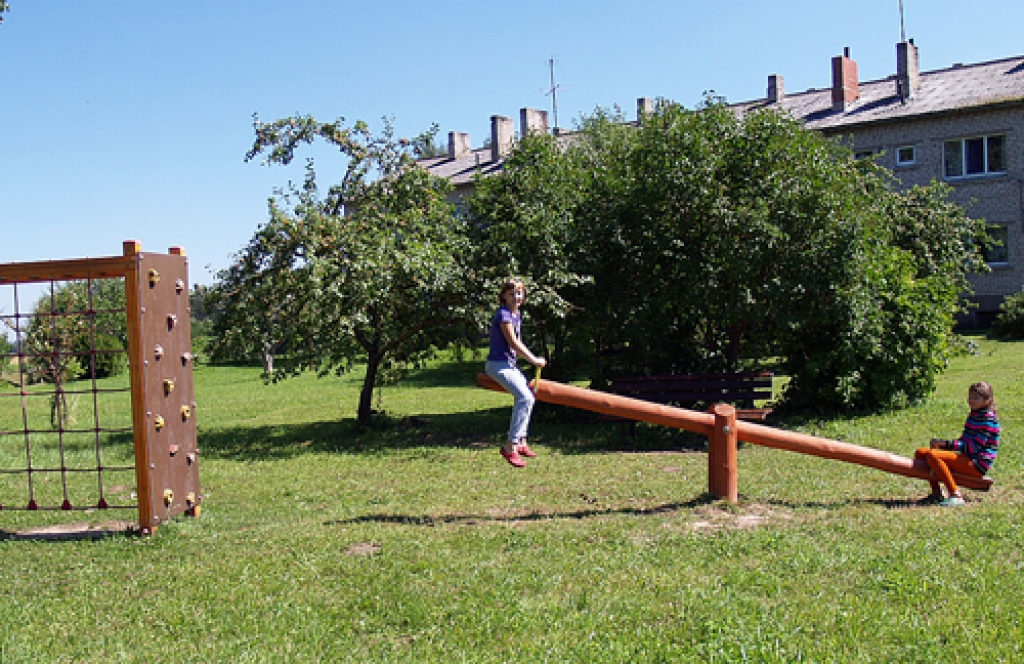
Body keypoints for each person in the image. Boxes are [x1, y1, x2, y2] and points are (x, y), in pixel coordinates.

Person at [485, 278, 547, 468]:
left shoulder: (516, 315)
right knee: (525, 398)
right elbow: (514, 343)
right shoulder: (504, 315)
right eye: (512, 293)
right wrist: (534, 360)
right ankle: (510, 446)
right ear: (504, 296)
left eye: (519, 293)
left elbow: (516, 344)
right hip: (497, 365)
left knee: (529, 397)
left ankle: (521, 442)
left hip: (508, 365)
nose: (516, 297)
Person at [915, 381, 1000, 507]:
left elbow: (974, 447)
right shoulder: (974, 415)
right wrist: (943, 445)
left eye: (976, 398)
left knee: (933, 455)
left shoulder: (988, 419)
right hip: (967, 457)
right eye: (970, 397)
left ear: (988, 400)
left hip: (977, 464)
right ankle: (937, 494)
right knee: (921, 453)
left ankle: (955, 495)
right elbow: (964, 440)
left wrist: (946, 444)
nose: (971, 400)